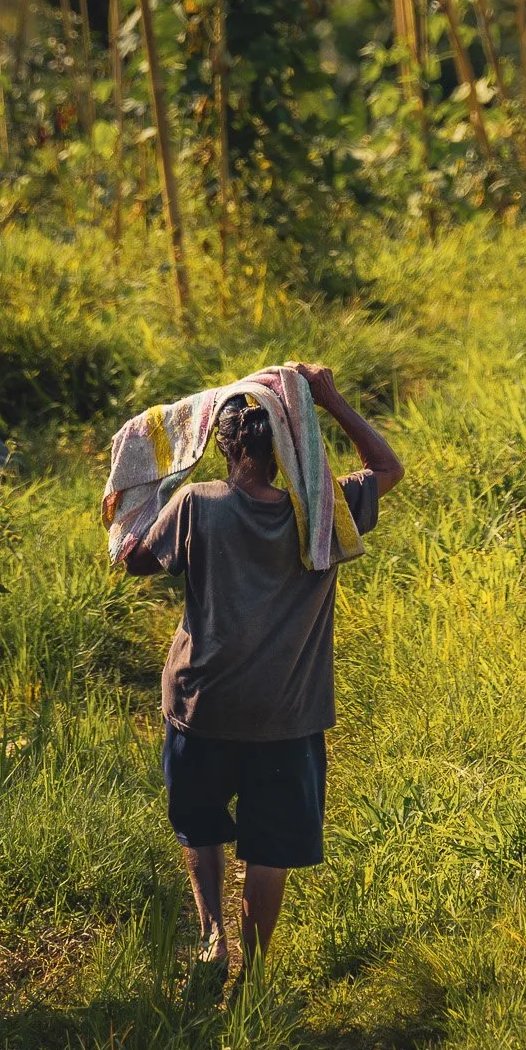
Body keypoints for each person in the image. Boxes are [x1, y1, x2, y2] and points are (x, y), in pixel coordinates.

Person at [111, 360, 402, 974]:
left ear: (220, 444)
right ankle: (257, 966)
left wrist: (148, 492)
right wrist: (332, 399)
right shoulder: (324, 510)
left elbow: (133, 560)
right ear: (289, 447)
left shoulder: (196, 506)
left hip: (201, 705)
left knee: (202, 826)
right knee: (268, 849)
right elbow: (387, 468)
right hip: (287, 714)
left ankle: (215, 937)